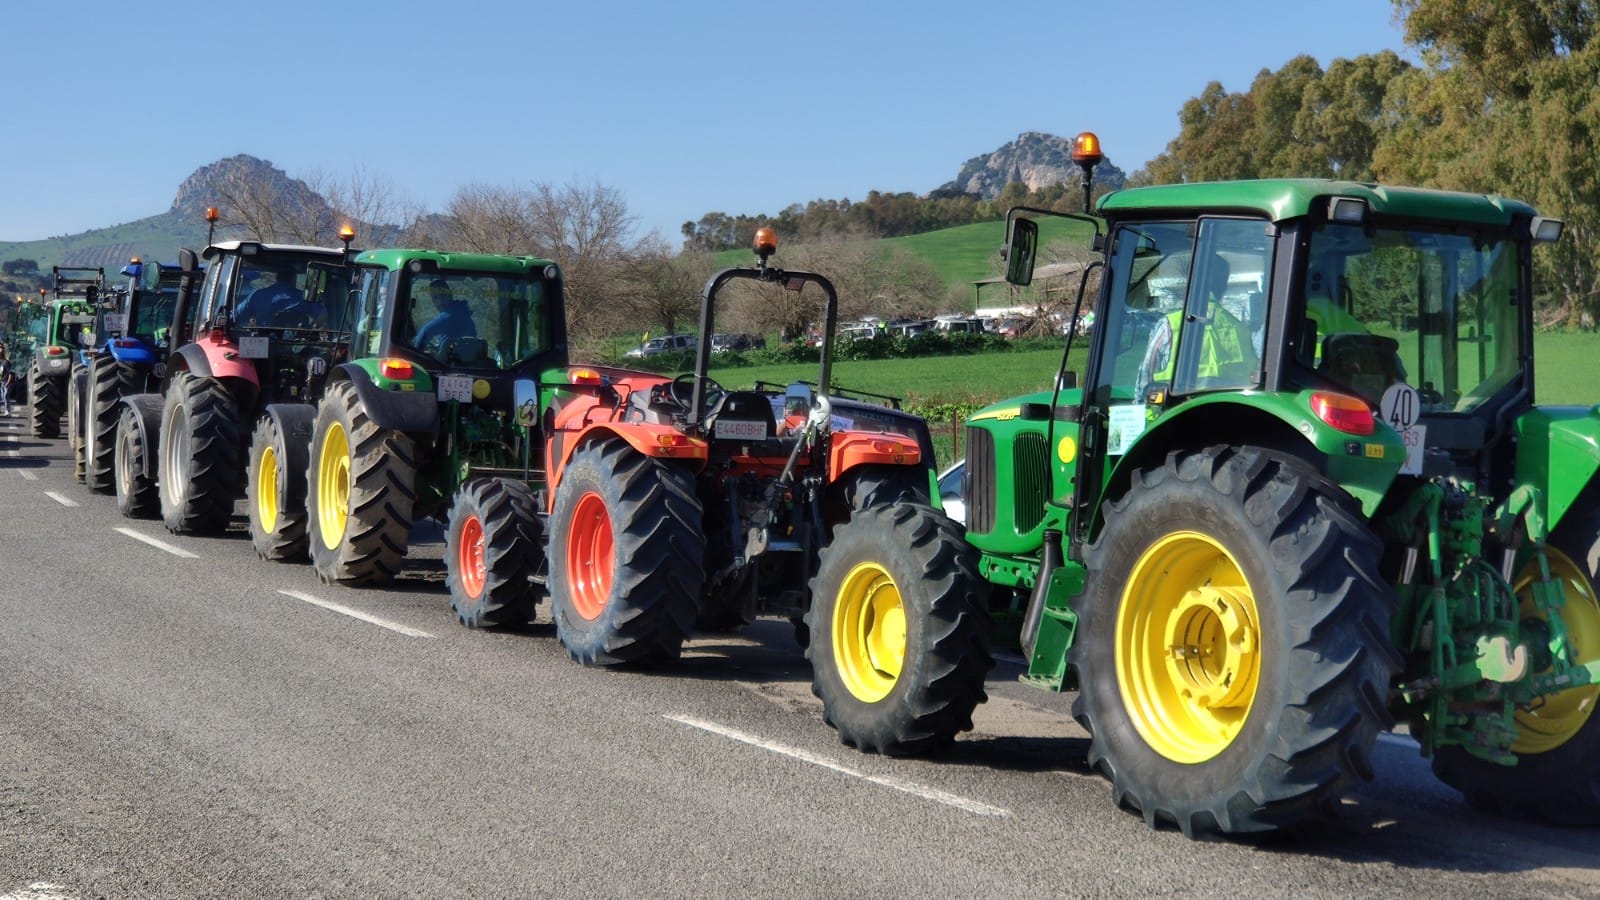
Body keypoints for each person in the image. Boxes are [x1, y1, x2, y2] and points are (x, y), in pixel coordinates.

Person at [1135, 254, 1256, 402]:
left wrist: (1139, 410)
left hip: (1174, 414)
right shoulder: (1241, 329)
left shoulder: (1169, 325)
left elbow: (1146, 375)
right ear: (1223, 287)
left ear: (1191, 284)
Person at [412, 279, 476, 354]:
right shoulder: (462, 312)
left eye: (443, 295)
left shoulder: (450, 315)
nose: (440, 301)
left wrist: (414, 354)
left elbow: (426, 331)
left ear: (450, 295)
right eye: (435, 297)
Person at [235, 265, 310, 326]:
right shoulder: (307, 298)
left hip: (263, 341)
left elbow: (235, 316)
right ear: (294, 278)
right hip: (300, 342)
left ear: (277, 277)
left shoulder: (257, 296)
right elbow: (321, 318)